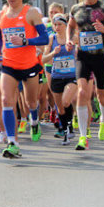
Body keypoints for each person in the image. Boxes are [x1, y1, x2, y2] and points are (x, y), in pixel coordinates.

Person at [0, 0, 49, 159]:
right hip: (8, 65)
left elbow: (45, 38)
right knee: (5, 99)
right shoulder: (1, 15)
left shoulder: (30, 13)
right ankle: (13, 142)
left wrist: (26, 42)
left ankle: (34, 120)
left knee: (31, 102)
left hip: (30, 65)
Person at [66, 0, 104, 150]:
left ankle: (103, 120)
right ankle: (83, 136)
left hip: (100, 57)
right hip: (82, 57)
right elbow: (70, 26)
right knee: (81, 91)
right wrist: (69, 40)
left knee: (101, 94)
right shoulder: (76, 9)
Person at [42, 13, 77, 146]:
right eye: (55, 24)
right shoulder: (52, 39)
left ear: (65, 25)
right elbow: (44, 59)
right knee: (61, 108)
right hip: (57, 76)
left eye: (60, 24)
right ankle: (67, 129)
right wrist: (53, 53)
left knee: (66, 101)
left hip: (72, 76)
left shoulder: (73, 37)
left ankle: (69, 127)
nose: (57, 27)